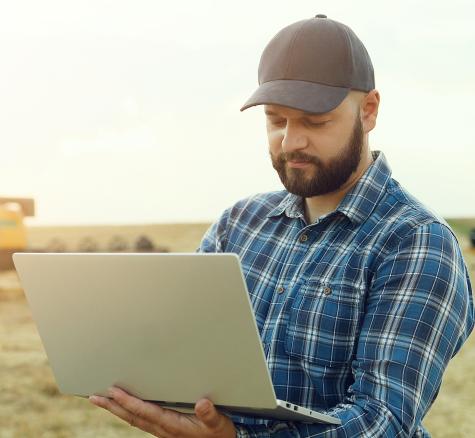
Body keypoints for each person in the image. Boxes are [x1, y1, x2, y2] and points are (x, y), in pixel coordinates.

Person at [89, 14, 475, 437]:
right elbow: (184, 360)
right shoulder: (238, 225)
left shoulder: (417, 243)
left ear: (368, 111)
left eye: (315, 121)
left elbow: (383, 421)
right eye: (277, 120)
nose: (291, 141)